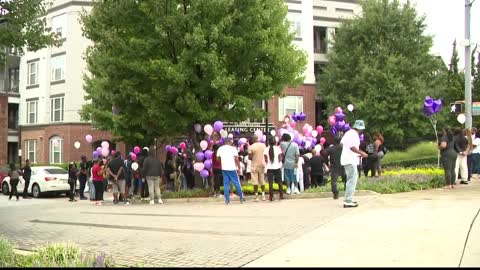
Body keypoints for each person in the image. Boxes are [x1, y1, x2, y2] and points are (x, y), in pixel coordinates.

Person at [341, 120, 368, 208]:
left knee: (351, 179)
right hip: (350, 160)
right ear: (360, 129)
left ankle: (349, 199)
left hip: (348, 159)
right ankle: (348, 200)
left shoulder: (349, 133)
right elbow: (352, 147)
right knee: (352, 179)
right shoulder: (353, 134)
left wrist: (358, 154)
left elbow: (344, 145)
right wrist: (361, 153)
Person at [217, 137, 246, 205]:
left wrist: (223, 160)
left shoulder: (220, 148)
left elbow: (218, 159)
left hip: (224, 168)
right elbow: (236, 159)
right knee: (237, 183)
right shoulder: (233, 149)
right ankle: (241, 198)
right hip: (232, 168)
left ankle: (227, 200)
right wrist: (239, 168)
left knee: (226, 184)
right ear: (229, 141)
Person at [264, 136, 284, 201]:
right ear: (275, 142)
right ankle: (281, 195)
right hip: (277, 167)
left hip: (269, 168)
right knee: (279, 182)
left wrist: (268, 164)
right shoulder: (278, 149)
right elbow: (280, 158)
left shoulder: (266, 149)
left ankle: (271, 196)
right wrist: (279, 163)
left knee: (270, 182)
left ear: (269, 142)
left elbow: (266, 159)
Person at [248, 135, 267, 201]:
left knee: (255, 181)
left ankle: (256, 196)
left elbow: (250, 157)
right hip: (262, 164)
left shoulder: (251, 147)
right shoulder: (263, 145)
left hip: (254, 165)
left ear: (253, 140)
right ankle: (263, 195)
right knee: (262, 180)